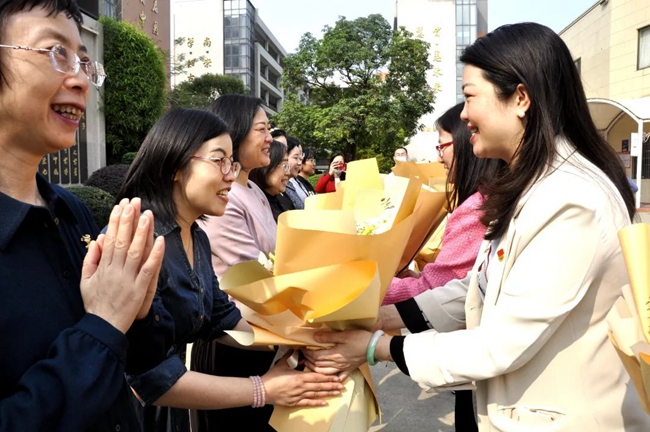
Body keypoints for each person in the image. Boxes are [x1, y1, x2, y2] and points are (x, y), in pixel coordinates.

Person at [304, 23, 650, 431]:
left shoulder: (571, 200)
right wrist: (386, 317)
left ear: (521, 98)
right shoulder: (536, 186)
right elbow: (480, 289)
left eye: (470, 97)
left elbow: (500, 342)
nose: (464, 115)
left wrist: (378, 347)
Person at [116, 109, 341, 432]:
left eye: (232, 163)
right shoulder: (143, 243)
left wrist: (302, 340)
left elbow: (223, 317)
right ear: (174, 165)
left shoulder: (196, 236)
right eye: (218, 160)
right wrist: (264, 388)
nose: (229, 175)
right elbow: (150, 378)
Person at [0, 1, 166, 430]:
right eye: (56, 53)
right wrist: (105, 321)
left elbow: (139, 362)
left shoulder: (73, 212)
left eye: (84, 62)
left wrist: (139, 308)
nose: (79, 81)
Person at [192, 95, 279, 431]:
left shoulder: (253, 190)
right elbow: (252, 273)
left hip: (262, 328)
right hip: (234, 335)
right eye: (262, 129)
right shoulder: (224, 199)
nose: (270, 137)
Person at [250, 140, 295, 221]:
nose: (288, 173)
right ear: (267, 166)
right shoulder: (253, 205)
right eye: (284, 166)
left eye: (288, 167)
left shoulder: (283, 199)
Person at [283, 136, 305, 209]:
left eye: (300, 158)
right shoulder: (277, 187)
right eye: (296, 158)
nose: (299, 163)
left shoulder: (290, 184)